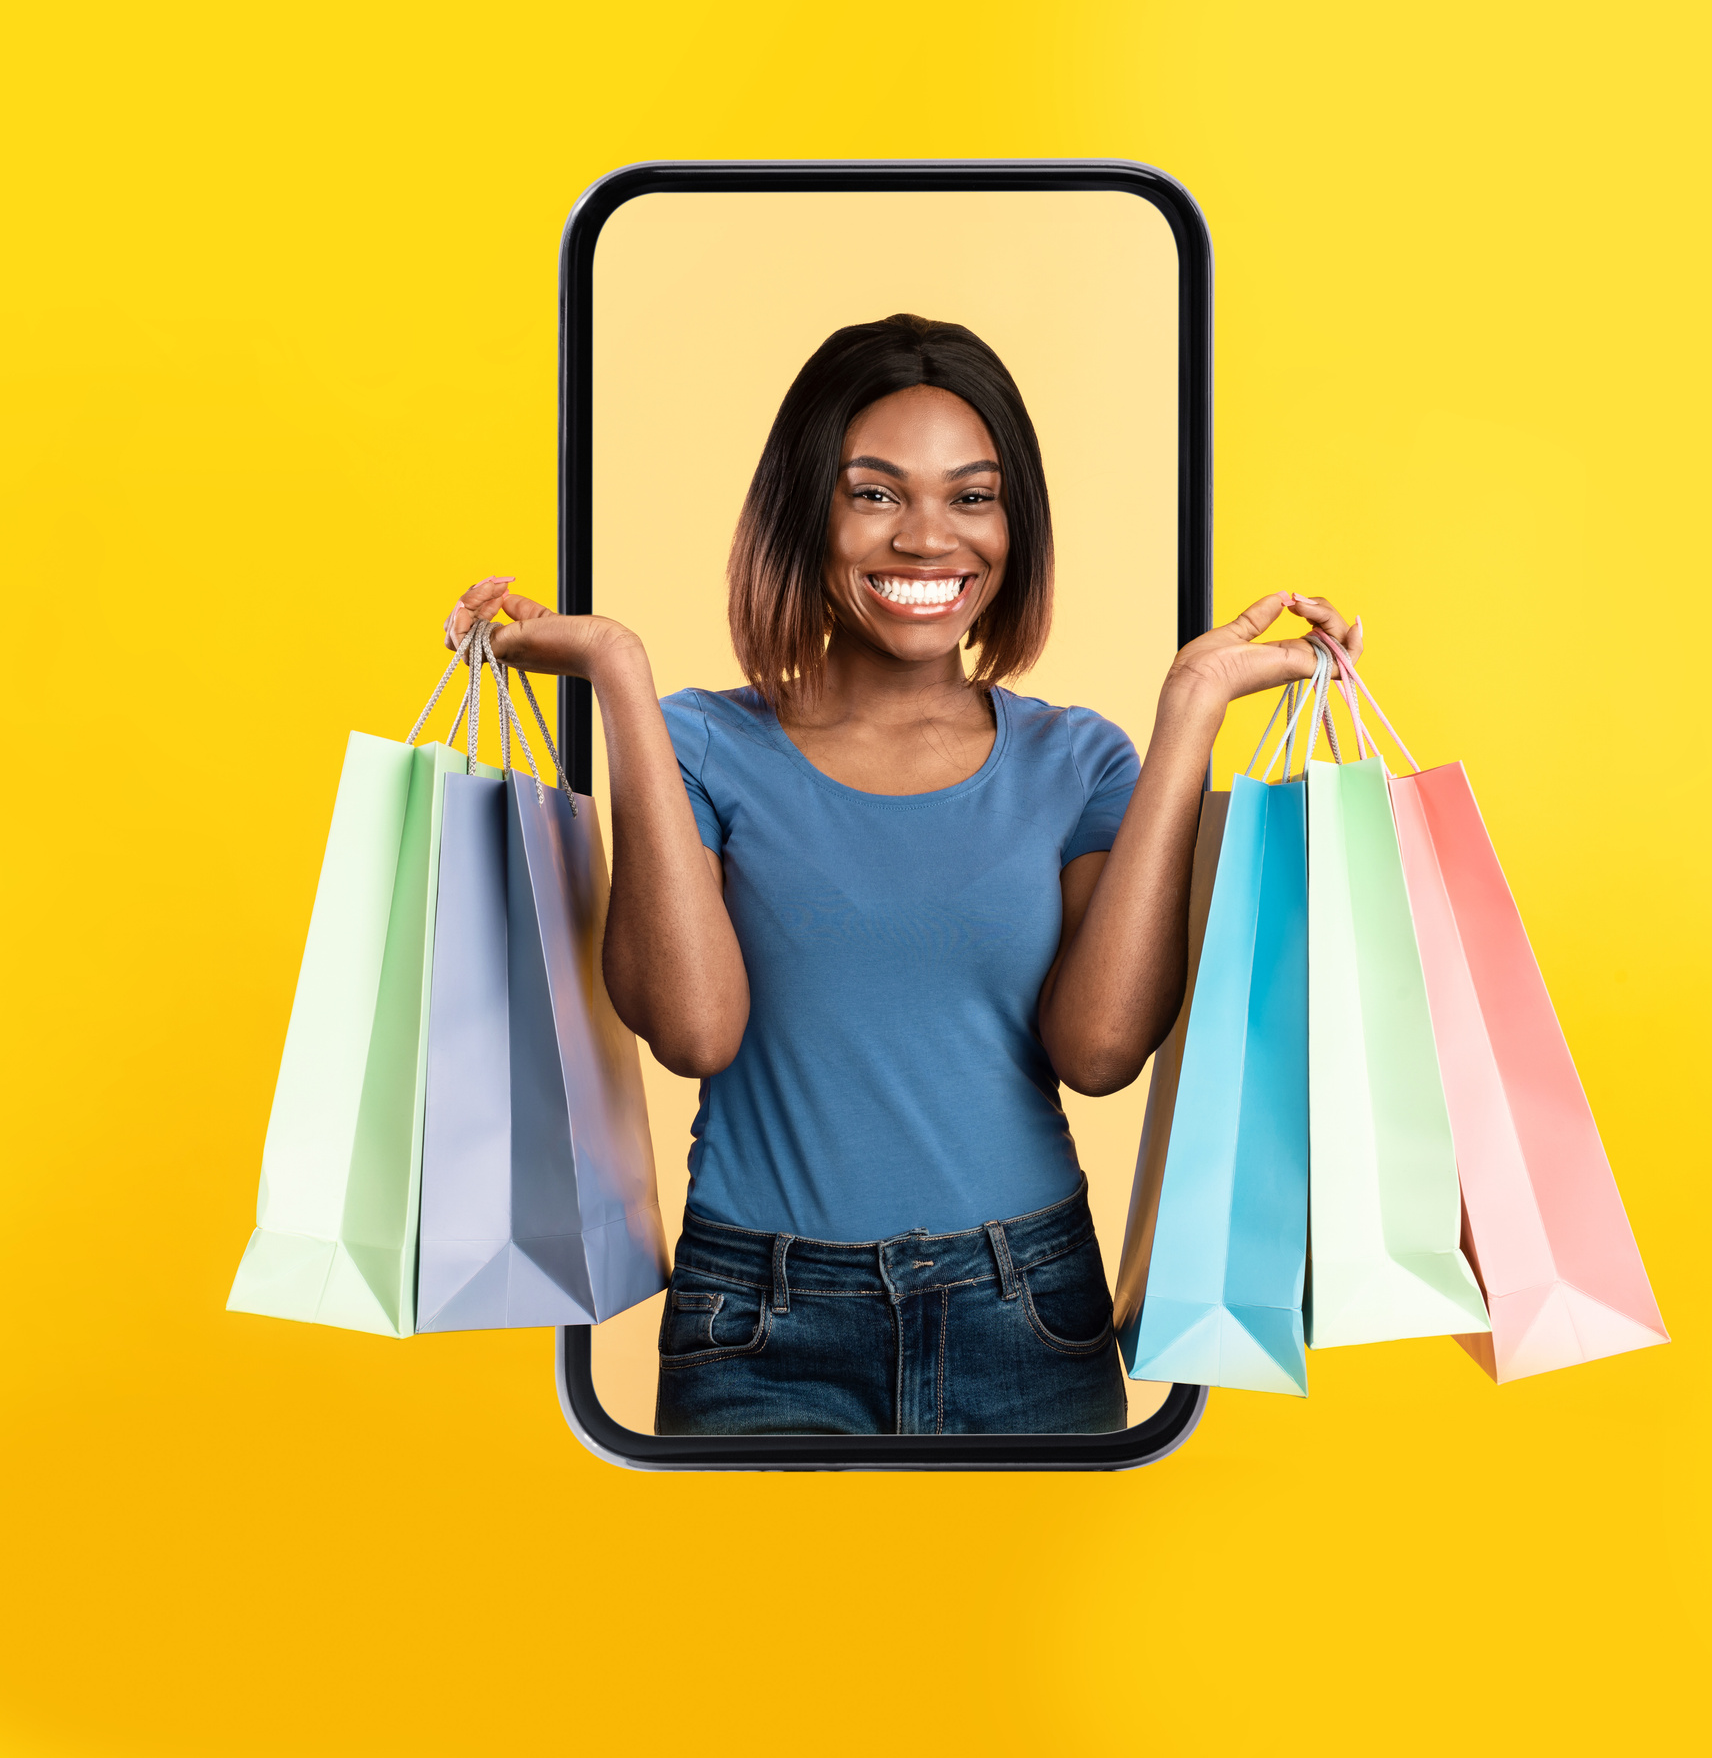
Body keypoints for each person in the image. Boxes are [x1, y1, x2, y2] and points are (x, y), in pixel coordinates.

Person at [445, 312, 1362, 1436]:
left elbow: (1102, 1052)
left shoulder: (1076, 761)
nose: (928, 539)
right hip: (757, 1320)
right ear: (802, 513)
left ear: (1012, 525)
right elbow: (692, 1031)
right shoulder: (694, 745)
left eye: (971, 496)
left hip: (1029, 1307)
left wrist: (1188, 714)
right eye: (874, 492)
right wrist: (619, 680)